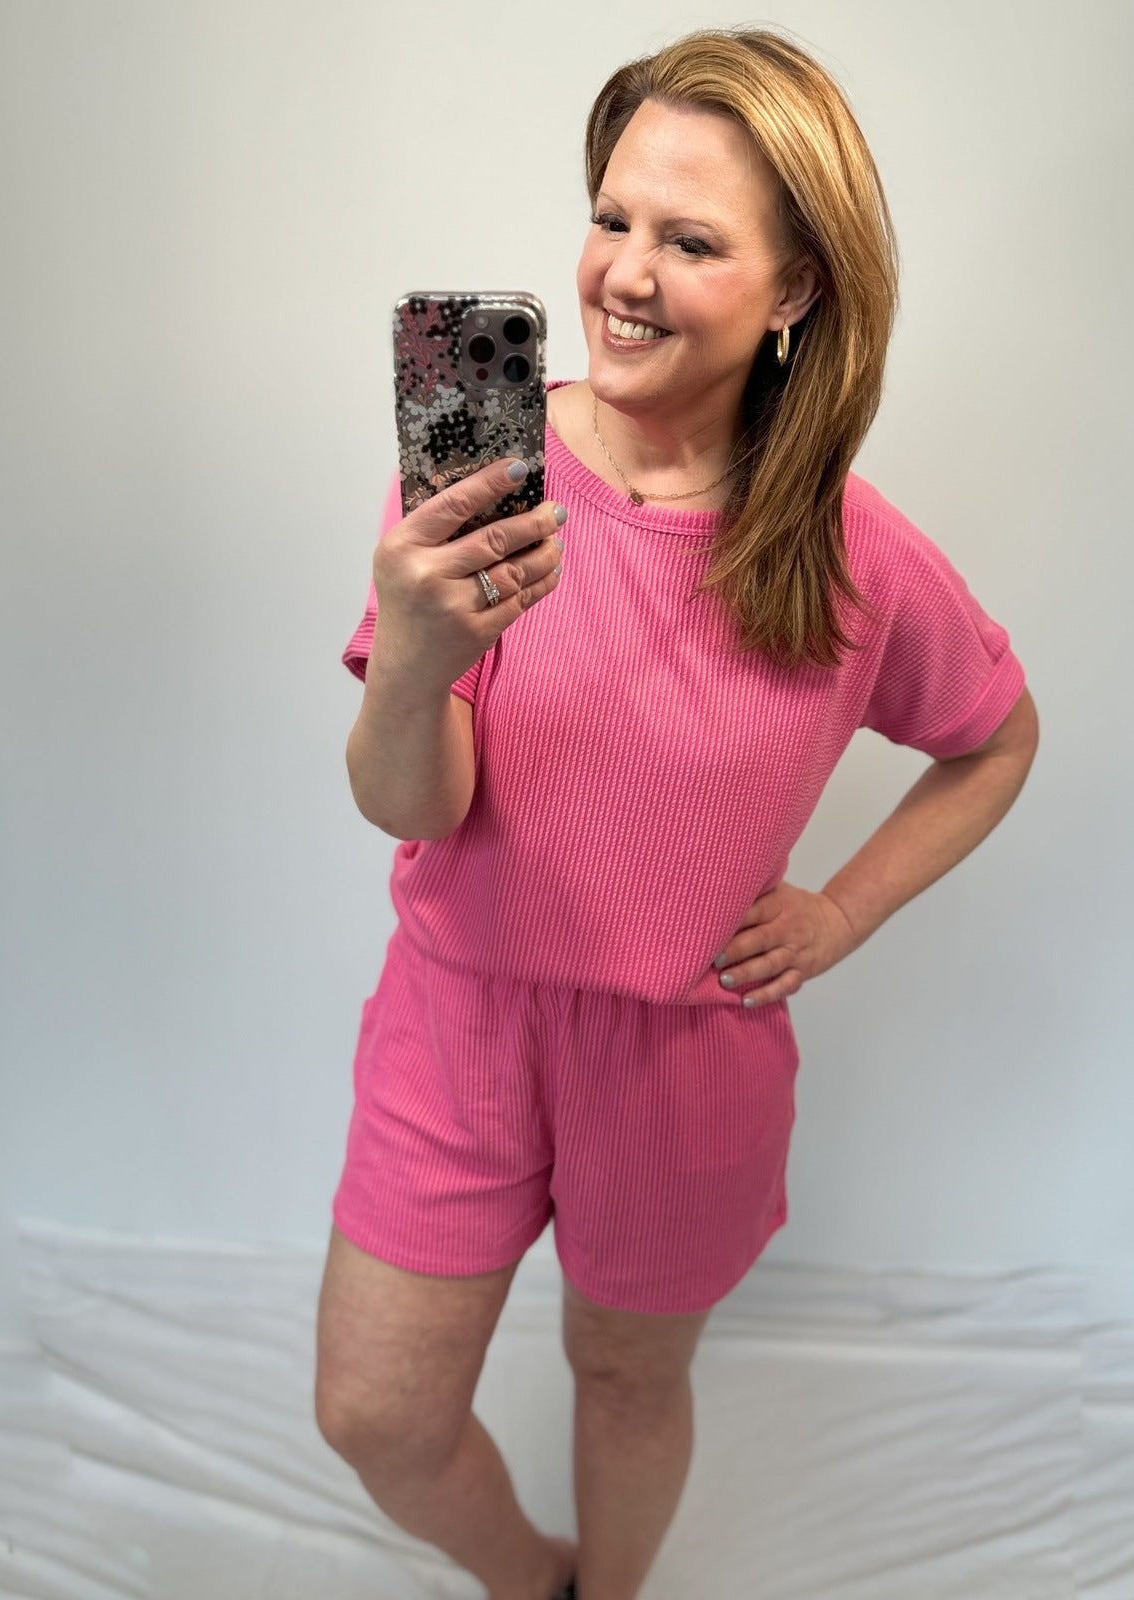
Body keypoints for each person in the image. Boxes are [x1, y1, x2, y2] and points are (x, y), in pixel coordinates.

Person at [314, 25, 1039, 1600]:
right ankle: (534, 1582)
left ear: (795, 290)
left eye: (691, 241)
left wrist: (839, 911)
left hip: (682, 1050)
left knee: (629, 1379)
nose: (623, 275)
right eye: (611, 217)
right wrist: (417, 656)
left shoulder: (849, 552)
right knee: (375, 1411)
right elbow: (408, 805)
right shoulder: (481, 458)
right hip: (457, 1015)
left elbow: (995, 740)